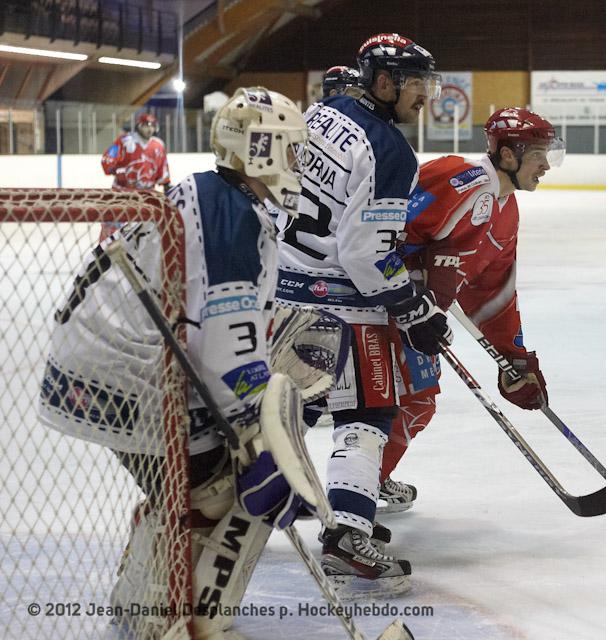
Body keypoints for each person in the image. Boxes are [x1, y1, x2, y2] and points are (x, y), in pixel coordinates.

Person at [39, 87, 311, 639]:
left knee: (201, 476)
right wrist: (259, 439)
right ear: (260, 150)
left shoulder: (213, 194)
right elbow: (224, 350)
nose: (297, 162)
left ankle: (142, 601)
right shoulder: (231, 216)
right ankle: (172, 620)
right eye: (290, 148)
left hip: (98, 364)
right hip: (123, 374)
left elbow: (213, 331)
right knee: (222, 489)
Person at [272, 33, 447, 597]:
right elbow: (366, 254)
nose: (424, 96)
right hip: (344, 306)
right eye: (415, 83)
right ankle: (347, 534)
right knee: (368, 413)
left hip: (284, 291)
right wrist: (413, 307)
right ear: (383, 81)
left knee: (293, 410)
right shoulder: (390, 149)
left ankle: (231, 504)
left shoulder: (317, 116)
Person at [376, 108, 565, 513]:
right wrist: (410, 289)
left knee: (414, 401)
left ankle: (365, 480)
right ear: (508, 155)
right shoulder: (457, 177)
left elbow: (491, 290)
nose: (546, 166)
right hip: (381, 305)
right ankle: (357, 486)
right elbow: (379, 234)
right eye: (538, 155)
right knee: (399, 399)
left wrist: (513, 358)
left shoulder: (507, 211)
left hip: (417, 318)